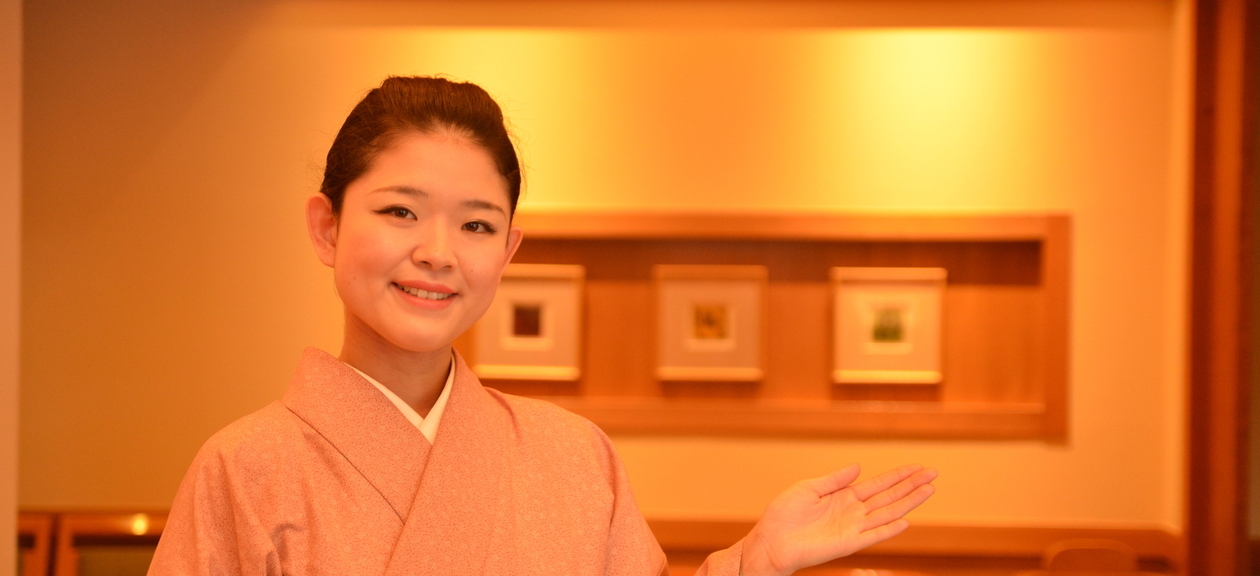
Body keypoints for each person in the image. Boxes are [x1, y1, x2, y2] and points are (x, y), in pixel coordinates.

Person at [147, 76, 937, 576]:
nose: (438, 252)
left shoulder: (574, 455)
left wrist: (753, 561)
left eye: (477, 225)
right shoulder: (243, 471)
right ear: (326, 227)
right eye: (400, 212)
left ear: (508, 251)